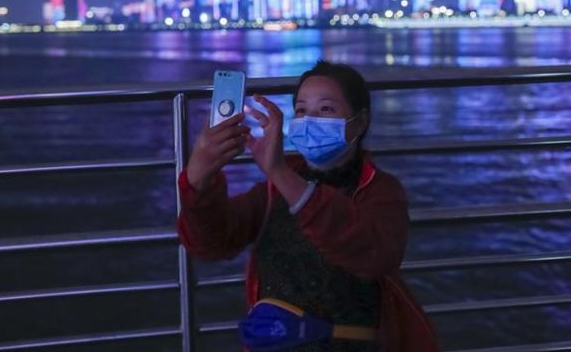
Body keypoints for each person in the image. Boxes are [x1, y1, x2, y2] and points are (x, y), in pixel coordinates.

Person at [176, 61, 439, 351]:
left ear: (360, 121)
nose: (310, 120)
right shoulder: (272, 192)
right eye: (301, 111)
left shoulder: (381, 190)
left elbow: (373, 256)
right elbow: (211, 243)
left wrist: (280, 172)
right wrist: (199, 180)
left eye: (326, 109)